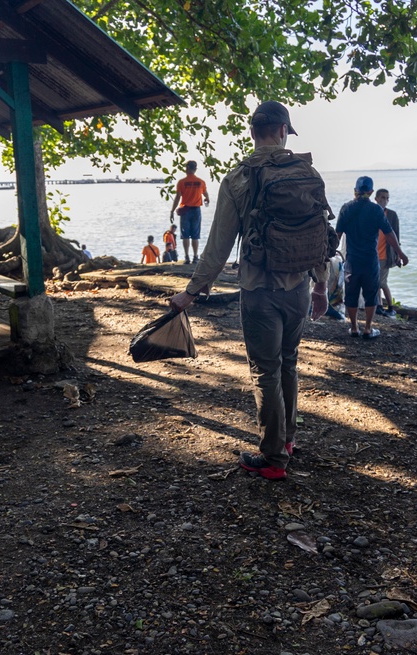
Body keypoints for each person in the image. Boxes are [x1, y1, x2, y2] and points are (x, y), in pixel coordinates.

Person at [169, 100, 330, 481]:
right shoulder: (307, 171)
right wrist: (321, 284)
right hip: (300, 288)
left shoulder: (238, 178)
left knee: (265, 371)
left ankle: (274, 458)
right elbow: (321, 233)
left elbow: (218, 245)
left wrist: (190, 292)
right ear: (282, 132)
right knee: (288, 362)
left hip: (259, 290)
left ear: (253, 131)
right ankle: (287, 439)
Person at [336, 176, 408, 339]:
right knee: (371, 294)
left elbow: (337, 235)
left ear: (355, 190)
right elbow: (390, 234)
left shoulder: (346, 208)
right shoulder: (376, 210)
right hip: (370, 261)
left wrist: (328, 253)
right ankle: (368, 329)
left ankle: (354, 328)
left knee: (351, 294)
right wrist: (400, 253)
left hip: (352, 261)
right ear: (371, 192)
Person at [169, 160, 210, 264]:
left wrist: (172, 210)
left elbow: (178, 197)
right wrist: (207, 199)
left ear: (186, 168)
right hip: (196, 210)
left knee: (185, 235)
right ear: (195, 169)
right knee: (195, 235)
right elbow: (205, 194)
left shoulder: (182, 182)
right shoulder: (201, 182)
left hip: (185, 210)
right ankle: (195, 257)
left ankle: (187, 257)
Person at [374, 188, 401, 317]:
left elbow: (396, 235)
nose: (385, 200)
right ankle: (379, 306)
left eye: (387, 198)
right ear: (376, 199)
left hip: (386, 254)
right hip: (372, 253)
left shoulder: (391, 215)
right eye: (382, 197)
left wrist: (398, 255)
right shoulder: (372, 212)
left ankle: (391, 307)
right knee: (375, 281)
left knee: (382, 282)